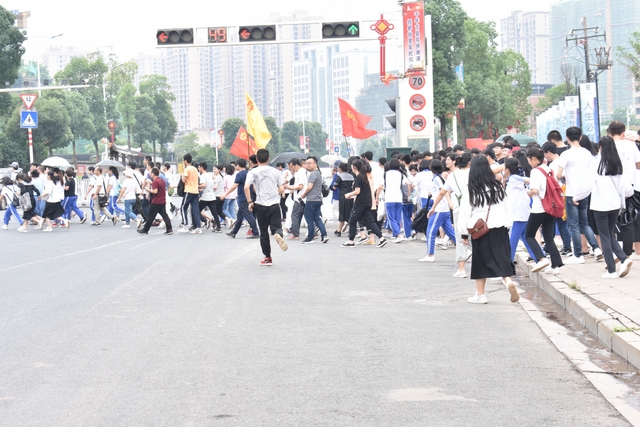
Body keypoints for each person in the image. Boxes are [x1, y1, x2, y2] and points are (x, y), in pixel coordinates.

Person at [458, 156, 519, 304]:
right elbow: (507, 208)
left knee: (480, 262)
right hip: (500, 227)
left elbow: (465, 212)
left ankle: (481, 295)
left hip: (481, 230)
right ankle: (508, 281)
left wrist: (464, 233)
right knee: (502, 258)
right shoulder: (497, 187)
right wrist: (507, 225)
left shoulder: (471, 189)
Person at [588, 136, 633, 278]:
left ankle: (612, 270)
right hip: (615, 205)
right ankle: (623, 258)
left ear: (600, 148)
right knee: (609, 233)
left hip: (600, 204)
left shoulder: (597, 164)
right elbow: (626, 188)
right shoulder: (617, 164)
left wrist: (577, 197)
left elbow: (587, 184)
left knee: (605, 236)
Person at [556, 126, 602, 264]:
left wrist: (564, 176)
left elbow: (558, 175)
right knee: (585, 222)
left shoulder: (566, 154)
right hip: (585, 192)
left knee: (574, 225)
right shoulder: (587, 153)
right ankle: (596, 249)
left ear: (567, 138)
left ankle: (578, 254)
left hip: (572, 192)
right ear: (580, 137)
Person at [428, 153, 472, 277]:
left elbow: (442, 192)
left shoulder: (453, 176)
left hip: (459, 209)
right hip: (473, 208)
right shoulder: (472, 173)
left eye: (448, 159)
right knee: (474, 235)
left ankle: (461, 269)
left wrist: (433, 207)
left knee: (460, 237)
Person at [245, 149, 289, 265]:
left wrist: (250, 201)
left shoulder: (253, 172)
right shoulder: (276, 171)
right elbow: (281, 189)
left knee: (263, 232)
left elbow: (246, 187)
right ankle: (278, 235)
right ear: (268, 159)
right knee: (276, 227)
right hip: (274, 205)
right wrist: (274, 194)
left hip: (261, 205)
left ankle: (268, 257)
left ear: (257, 159)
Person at [525, 147, 564, 275]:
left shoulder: (535, 171)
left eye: (529, 160)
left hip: (539, 208)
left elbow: (535, 190)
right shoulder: (548, 169)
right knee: (548, 237)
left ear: (533, 159)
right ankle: (555, 265)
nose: (528, 162)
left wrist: (528, 192)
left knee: (529, 235)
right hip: (550, 207)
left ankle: (541, 258)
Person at [608, 121, 640, 257]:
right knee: (627, 221)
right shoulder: (631, 145)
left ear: (609, 132)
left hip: (611, 188)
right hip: (629, 188)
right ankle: (626, 255)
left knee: (609, 223)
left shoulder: (607, 146)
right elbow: (638, 165)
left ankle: (614, 252)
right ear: (623, 133)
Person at [341, 159, 388, 248]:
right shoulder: (365, 176)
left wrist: (348, 195)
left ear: (354, 167)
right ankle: (381, 238)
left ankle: (351, 241)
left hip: (360, 203)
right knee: (370, 222)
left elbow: (357, 191)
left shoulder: (358, 177)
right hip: (367, 202)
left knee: (352, 221)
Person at [421, 159, 455, 262]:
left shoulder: (436, 178)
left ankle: (430, 255)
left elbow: (443, 192)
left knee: (430, 231)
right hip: (444, 209)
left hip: (439, 209)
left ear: (431, 168)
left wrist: (434, 207)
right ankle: (466, 250)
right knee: (451, 232)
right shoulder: (441, 178)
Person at [541, 141, 572, 255]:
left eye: (545, 154)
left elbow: (552, 182)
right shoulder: (563, 160)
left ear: (548, 152)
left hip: (556, 195)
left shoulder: (553, 165)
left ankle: (552, 247)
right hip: (565, 193)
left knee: (555, 222)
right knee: (562, 222)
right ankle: (566, 246)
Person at [503, 158, 535, 264]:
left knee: (513, 239)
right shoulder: (512, 179)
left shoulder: (513, 178)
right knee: (526, 238)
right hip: (521, 213)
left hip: (517, 214)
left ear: (507, 169)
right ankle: (539, 257)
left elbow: (528, 180)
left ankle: (508, 262)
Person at [222, 159, 259, 239]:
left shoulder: (240, 174)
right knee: (239, 216)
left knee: (249, 215)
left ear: (238, 165)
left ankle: (255, 232)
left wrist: (225, 193)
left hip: (243, 197)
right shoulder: (249, 173)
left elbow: (235, 185)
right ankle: (233, 232)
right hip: (250, 196)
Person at [299, 156, 328, 244]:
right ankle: (324, 235)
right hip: (318, 199)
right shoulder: (319, 173)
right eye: (306, 163)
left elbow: (310, 187)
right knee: (317, 218)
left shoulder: (313, 174)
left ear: (315, 163)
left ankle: (310, 237)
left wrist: (304, 194)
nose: (308, 165)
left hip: (311, 199)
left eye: (309, 163)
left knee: (309, 219)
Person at [137, 168, 173, 236]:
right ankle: (169, 229)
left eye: (150, 173)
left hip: (156, 201)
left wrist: (148, 189)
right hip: (162, 200)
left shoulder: (155, 181)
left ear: (153, 174)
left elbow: (155, 191)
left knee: (150, 216)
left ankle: (145, 230)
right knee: (165, 215)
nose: (150, 174)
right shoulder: (162, 180)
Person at [284, 158, 307, 240]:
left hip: (300, 198)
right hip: (302, 197)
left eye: (292, 166)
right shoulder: (301, 172)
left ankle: (296, 234)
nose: (291, 168)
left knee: (294, 215)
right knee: (307, 215)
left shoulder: (301, 173)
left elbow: (301, 186)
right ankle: (314, 232)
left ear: (296, 165)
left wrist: (290, 187)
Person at [179, 153, 202, 234]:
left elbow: (184, 180)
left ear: (185, 161)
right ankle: (198, 227)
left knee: (183, 208)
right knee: (195, 209)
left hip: (189, 190)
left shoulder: (187, 169)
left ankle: (185, 225)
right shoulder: (195, 169)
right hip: (195, 191)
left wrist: (182, 175)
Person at [197, 162, 221, 231]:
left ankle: (199, 223)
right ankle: (218, 227)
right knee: (214, 212)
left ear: (201, 167)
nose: (198, 168)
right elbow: (209, 186)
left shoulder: (202, 176)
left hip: (205, 197)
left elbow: (204, 185)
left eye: (199, 167)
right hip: (212, 196)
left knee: (196, 211)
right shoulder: (209, 175)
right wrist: (201, 190)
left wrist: (196, 186)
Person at [332, 162, 354, 237]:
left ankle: (339, 231)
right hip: (351, 196)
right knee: (350, 213)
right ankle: (352, 230)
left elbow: (334, 187)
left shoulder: (340, 177)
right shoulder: (351, 176)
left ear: (340, 168)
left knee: (342, 213)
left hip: (343, 196)